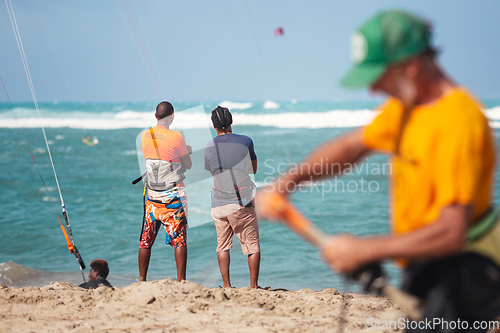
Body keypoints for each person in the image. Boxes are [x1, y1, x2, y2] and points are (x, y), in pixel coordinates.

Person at [257, 10, 500, 331]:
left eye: (379, 76)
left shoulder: (458, 121)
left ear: (410, 66)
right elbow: (351, 147)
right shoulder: (406, 110)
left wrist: (363, 250)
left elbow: (451, 232)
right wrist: (287, 182)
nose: (372, 90)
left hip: (467, 278)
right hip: (424, 268)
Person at [204, 106, 260, 288]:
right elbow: (254, 169)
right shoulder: (246, 141)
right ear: (231, 121)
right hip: (241, 202)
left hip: (218, 203)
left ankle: (227, 286)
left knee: (222, 246)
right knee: (252, 246)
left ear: (214, 125)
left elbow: (212, 172)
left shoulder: (208, 146)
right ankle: (253, 287)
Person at [139, 101, 192, 282]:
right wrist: (187, 152)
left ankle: (142, 279)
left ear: (156, 116)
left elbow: (157, 156)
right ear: (172, 116)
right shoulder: (176, 137)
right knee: (179, 238)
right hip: (173, 195)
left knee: (146, 239)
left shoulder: (145, 135)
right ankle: (181, 280)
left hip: (152, 195)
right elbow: (188, 165)